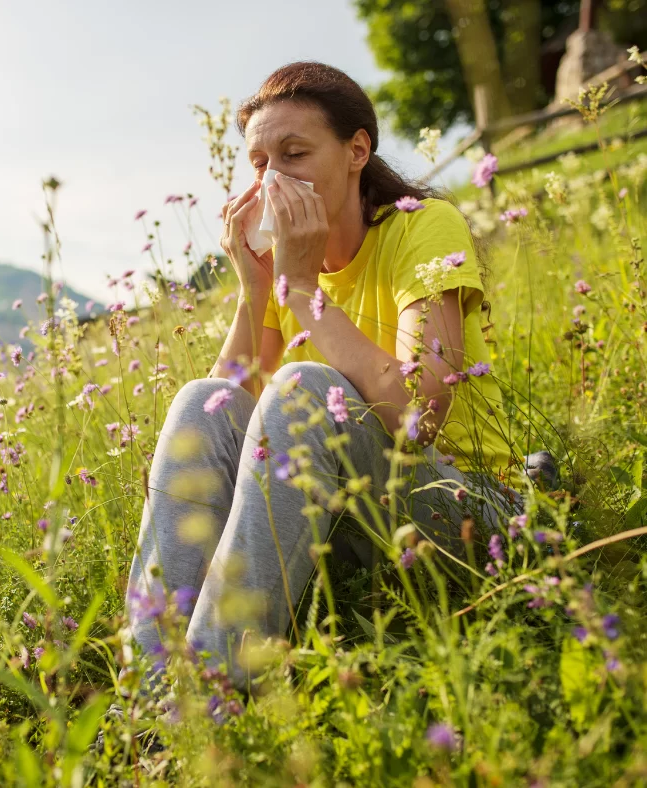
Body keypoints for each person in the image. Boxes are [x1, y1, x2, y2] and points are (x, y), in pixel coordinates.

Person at [124, 61, 524, 693]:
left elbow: (417, 417)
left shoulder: (423, 226)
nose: (273, 179)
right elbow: (222, 425)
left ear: (356, 151)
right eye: (260, 163)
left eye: (295, 154)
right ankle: (149, 697)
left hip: (468, 510)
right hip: (353, 519)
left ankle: (206, 696)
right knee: (202, 398)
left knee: (304, 389)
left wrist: (302, 288)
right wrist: (256, 290)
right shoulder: (284, 268)